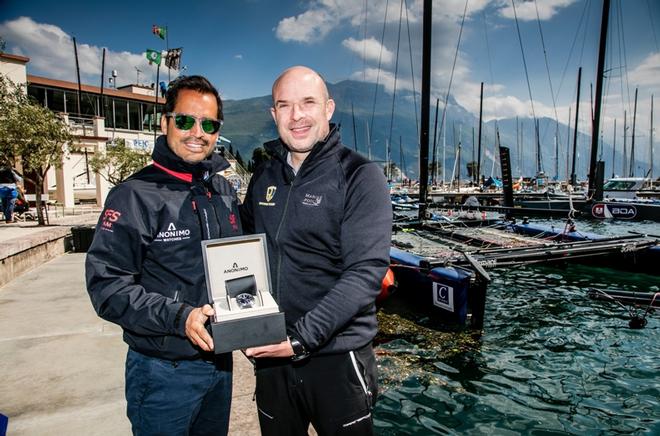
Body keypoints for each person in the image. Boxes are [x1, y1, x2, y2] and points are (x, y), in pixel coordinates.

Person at [86, 75, 242, 436]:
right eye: (185, 120)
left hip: (220, 364)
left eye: (209, 124)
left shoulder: (222, 191)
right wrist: (179, 317)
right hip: (161, 373)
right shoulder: (133, 195)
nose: (197, 132)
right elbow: (106, 287)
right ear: (165, 122)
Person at [241, 66, 392, 435]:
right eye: (284, 105)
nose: (296, 116)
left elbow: (365, 274)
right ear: (273, 115)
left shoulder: (360, 175)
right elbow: (242, 251)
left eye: (308, 102)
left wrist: (299, 339)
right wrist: (239, 322)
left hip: (337, 360)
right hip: (273, 362)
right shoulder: (263, 177)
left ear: (328, 108)